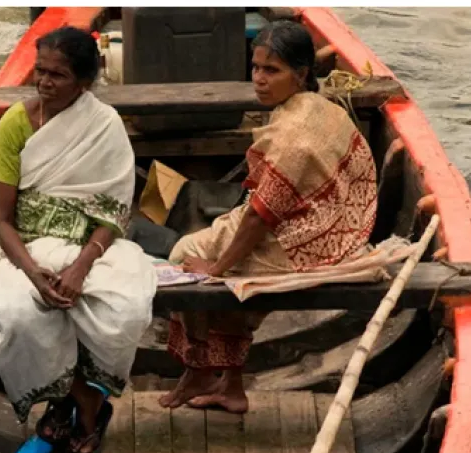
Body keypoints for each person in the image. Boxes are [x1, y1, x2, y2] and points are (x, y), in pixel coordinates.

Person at [159, 20, 378, 414]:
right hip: (340, 229)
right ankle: (230, 386)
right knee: (221, 246)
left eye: (271, 70)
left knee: (184, 256)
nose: (259, 79)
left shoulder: (292, 133)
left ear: (301, 74)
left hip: (306, 246)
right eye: (256, 67)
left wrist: (217, 269)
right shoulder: (322, 107)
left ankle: (201, 368)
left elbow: (260, 217)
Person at [0, 26, 157, 453]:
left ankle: (71, 403)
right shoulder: (16, 125)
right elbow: (1, 220)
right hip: (25, 248)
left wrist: (80, 267)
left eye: (56, 75)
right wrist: (32, 271)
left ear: (83, 82)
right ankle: (83, 403)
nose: (43, 82)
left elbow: (114, 215)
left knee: (125, 309)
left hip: (94, 248)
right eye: (39, 72)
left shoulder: (104, 125)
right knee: (23, 313)